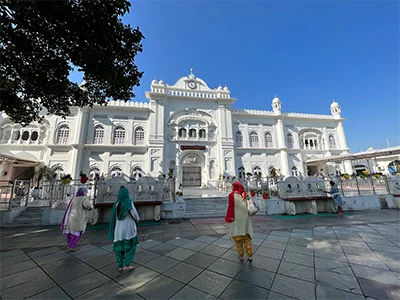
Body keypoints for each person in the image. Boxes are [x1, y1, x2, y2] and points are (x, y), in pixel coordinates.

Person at [108, 186, 140, 271]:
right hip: (129, 229)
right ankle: (127, 264)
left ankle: (120, 265)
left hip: (118, 229)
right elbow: (135, 214)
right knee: (131, 246)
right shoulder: (129, 202)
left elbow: (113, 217)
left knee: (119, 248)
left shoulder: (116, 204)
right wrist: (138, 220)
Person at [225, 181, 254, 261]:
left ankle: (241, 255)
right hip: (245, 220)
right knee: (247, 240)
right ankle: (250, 255)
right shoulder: (245, 194)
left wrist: (229, 218)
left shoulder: (231, 195)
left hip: (236, 220)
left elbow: (230, 208)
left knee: (238, 241)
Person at [61, 187, 93, 251]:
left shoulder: (73, 199)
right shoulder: (83, 199)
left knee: (69, 233)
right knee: (76, 234)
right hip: (78, 219)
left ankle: (69, 245)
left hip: (71, 219)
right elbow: (88, 206)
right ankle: (72, 246)